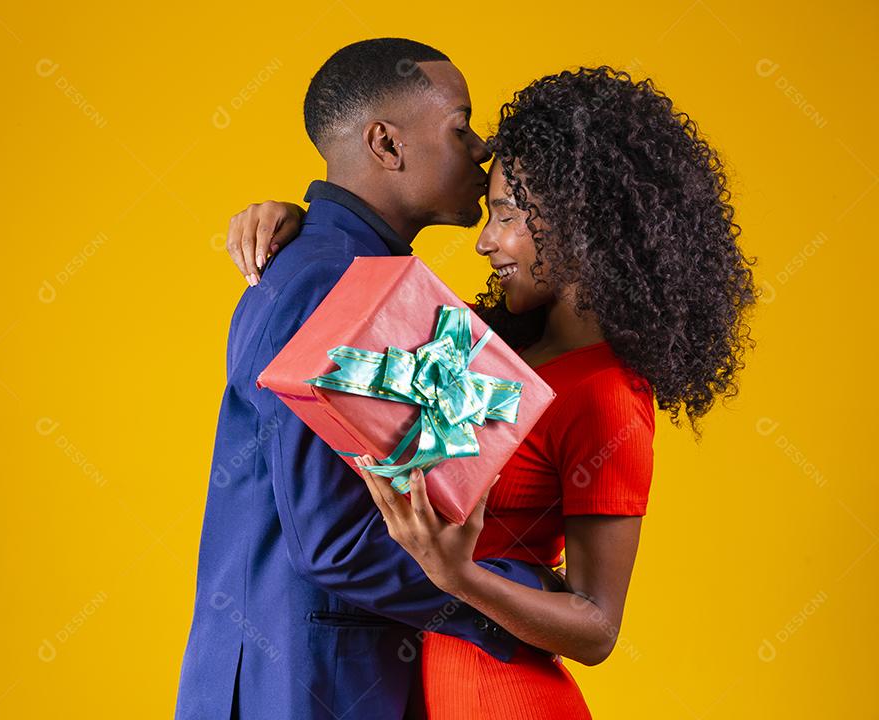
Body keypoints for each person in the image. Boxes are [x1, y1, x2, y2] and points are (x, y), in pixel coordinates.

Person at [224, 66, 757, 718]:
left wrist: (462, 577)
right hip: (429, 682)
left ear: (582, 222)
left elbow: (598, 627)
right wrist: (300, 219)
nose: (483, 239)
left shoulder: (609, 395)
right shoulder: (482, 345)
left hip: (507, 696)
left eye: (505, 214)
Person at [176, 38, 562, 720]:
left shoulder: (336, 262)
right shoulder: (330, 277)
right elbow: (332, 542)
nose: (481, 148)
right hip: (305, 687)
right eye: (460, 124)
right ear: (385, 143)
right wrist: (511, 599)